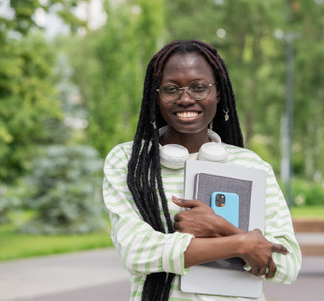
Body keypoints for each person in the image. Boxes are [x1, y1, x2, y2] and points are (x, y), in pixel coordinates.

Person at [103, 39, 301, 301]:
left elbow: (287, 266)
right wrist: (241, 243)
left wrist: (219, 225)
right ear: (156, 95)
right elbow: (136, 251)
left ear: (218, 92)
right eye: (171, 89)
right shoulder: (130, 161)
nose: (185, 99)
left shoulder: (251, 166)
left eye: (199, 88)